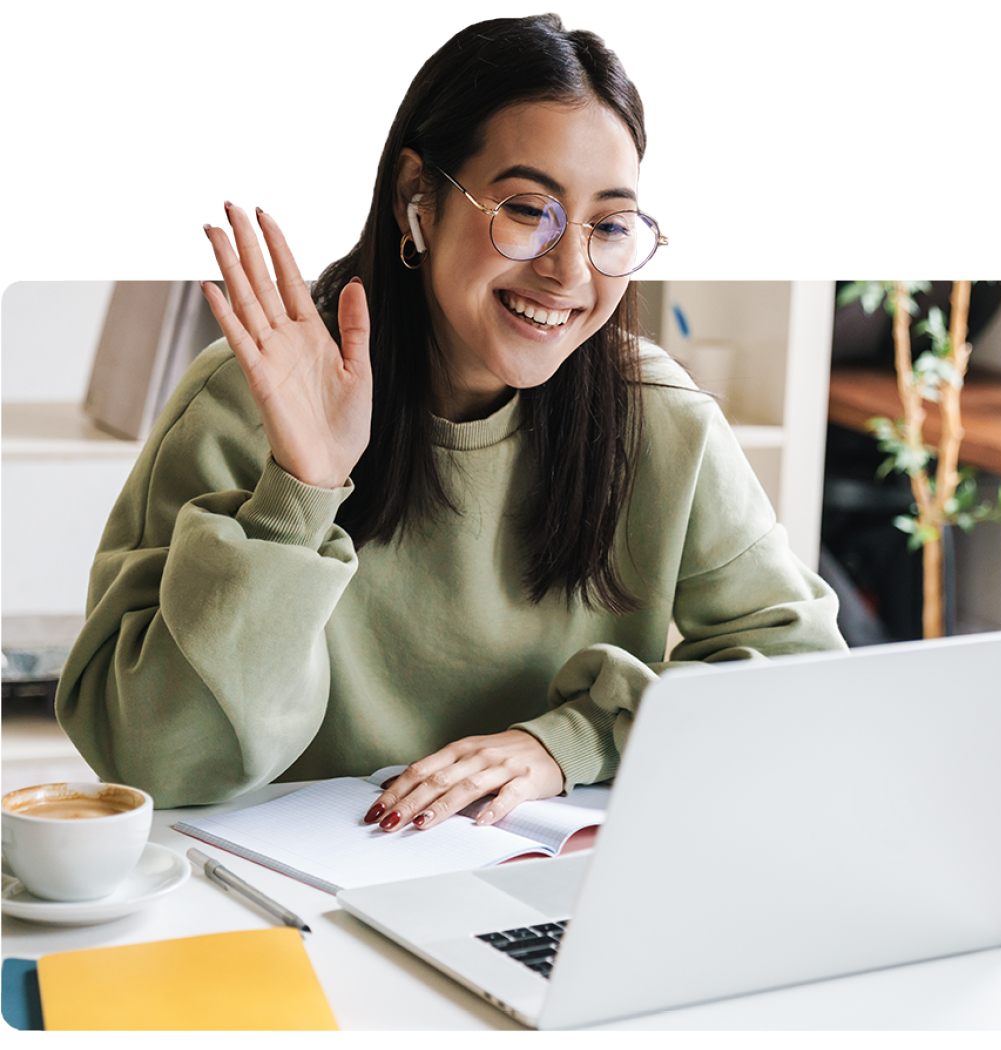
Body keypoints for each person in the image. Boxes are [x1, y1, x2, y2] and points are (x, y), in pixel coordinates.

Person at [56, 13, 845, 831]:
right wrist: (302, 490)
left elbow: (804, 682)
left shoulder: (656, 416)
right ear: (418, 200)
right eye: (526, 208)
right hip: (298, 901)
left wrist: (572, 742)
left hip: (552, 882)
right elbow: (154, 763)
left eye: (609, 225)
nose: (568, 270)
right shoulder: (244, 400)